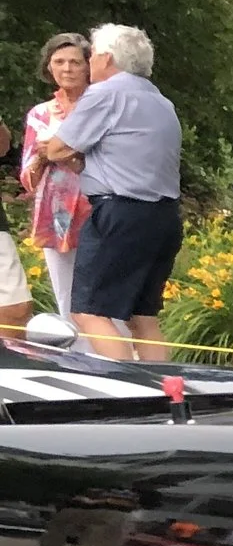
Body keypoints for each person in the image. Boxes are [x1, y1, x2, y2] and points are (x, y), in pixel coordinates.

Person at [37, 25, 181, 360]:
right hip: (164, 216)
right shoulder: (161, 101)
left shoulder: (105, 93)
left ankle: (124, 384)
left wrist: (57, 149)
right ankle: (161, 386)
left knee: (89, 312)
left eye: (91, 55)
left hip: (119, 214)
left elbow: (58, 148)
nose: (88, 62)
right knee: (142, 317)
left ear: (106, 57)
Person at [19, 34, 89, 319]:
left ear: (88, 66)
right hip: (55, 213)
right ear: (49, 67)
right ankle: (74, 347)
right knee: (66, 295)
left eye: (75, 62)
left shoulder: (99, 107)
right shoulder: (40, 114)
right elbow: (28, 178)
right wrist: (43, 156)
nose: (67, 68)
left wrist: (64, 153)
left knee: (102, 294)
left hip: (97, 209)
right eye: (59, 61)